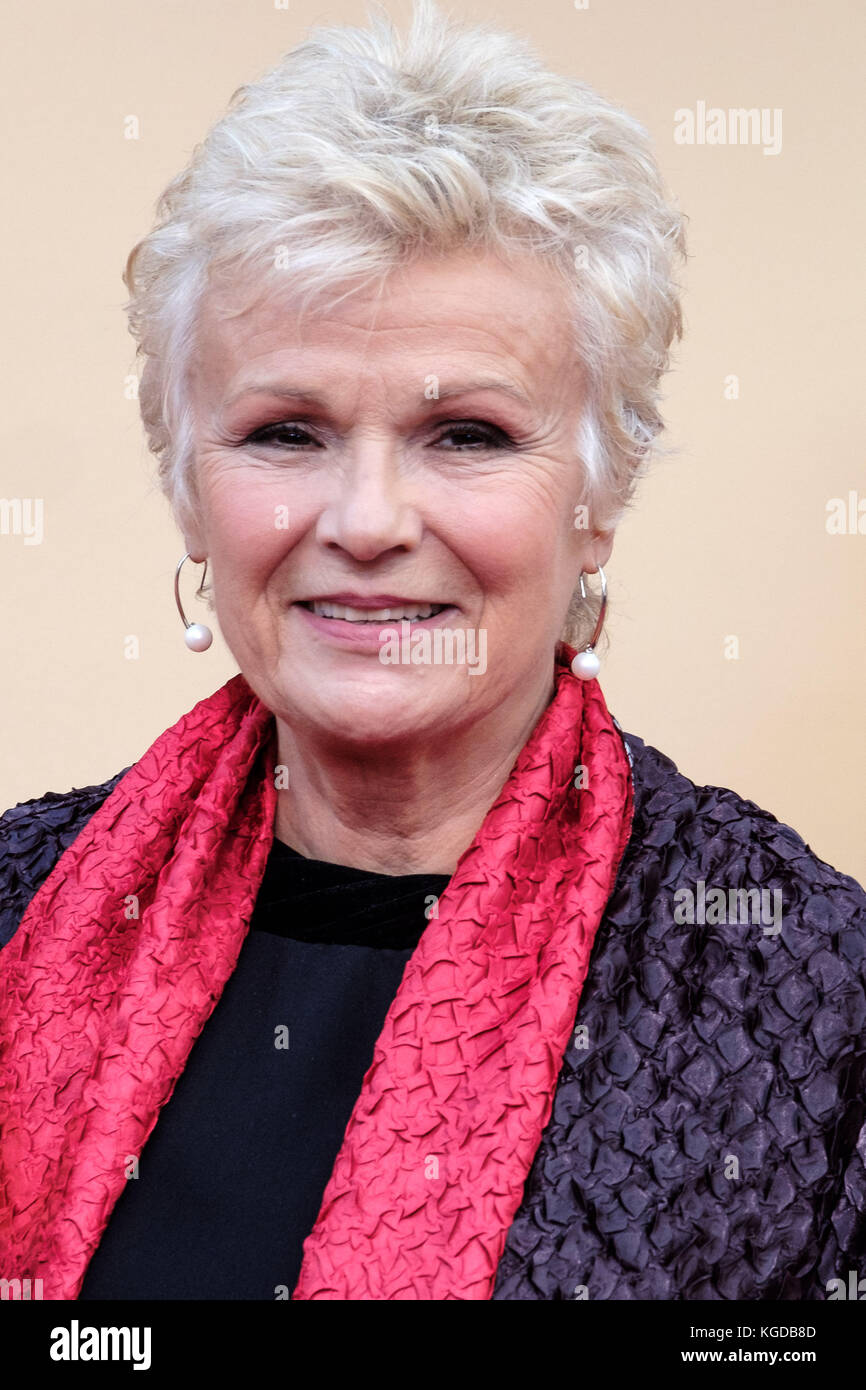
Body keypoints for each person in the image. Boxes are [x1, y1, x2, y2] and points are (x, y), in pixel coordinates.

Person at [1, 0, 863, 1302]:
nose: (364, 522)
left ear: (595, 502)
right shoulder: (18, 903)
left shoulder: (803, 979)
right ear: (187, 490)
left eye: (464, 434)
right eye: (285, 430)